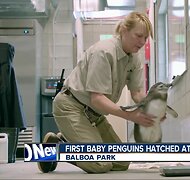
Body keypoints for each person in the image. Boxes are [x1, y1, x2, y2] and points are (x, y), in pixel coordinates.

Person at [38, 11, 155, 174]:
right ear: (123, 30)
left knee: (122, 161)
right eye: (139, 36)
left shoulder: (134, 58)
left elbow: (137, 93)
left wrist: (152, 109)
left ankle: (68, 138)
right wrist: (130, 115)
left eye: (146, 38)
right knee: (100, 164)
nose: (142, 42)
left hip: (94, 115)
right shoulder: (103, 52)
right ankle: (56, 148)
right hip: (71, 107)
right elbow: (97, 99)